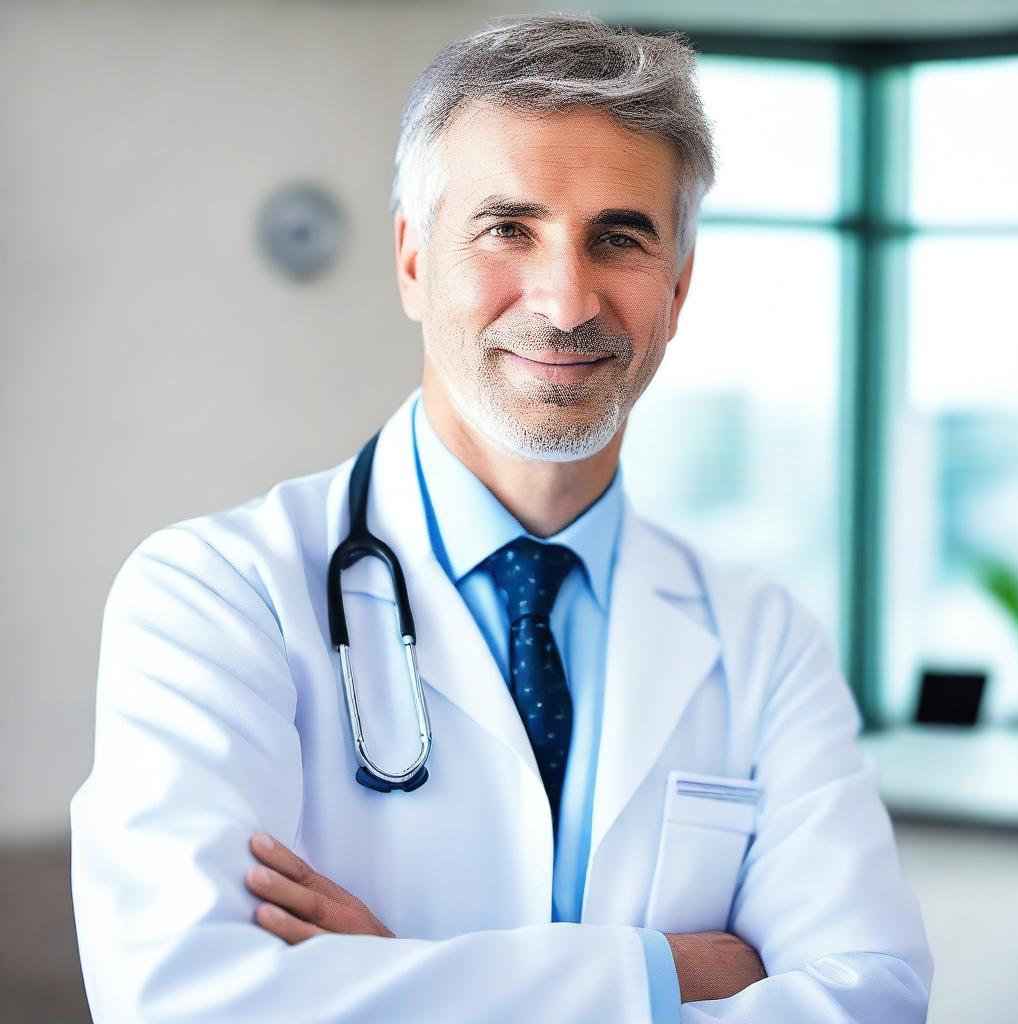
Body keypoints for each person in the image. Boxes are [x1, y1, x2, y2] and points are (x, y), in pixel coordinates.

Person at [69, 12, 932, 1023]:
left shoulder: (763, 640)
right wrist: (672, 971)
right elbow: (187, 1000)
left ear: (679, 288)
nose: (566, 300)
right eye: (507, 226)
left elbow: (870, 995)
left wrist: (398, 975)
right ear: (410, 261)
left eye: (620, 236)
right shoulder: (215, 594)